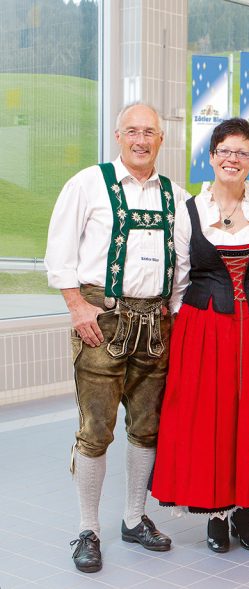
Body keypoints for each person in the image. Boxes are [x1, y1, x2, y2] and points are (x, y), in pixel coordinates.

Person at [45, 103, 188, 573]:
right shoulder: (87, 184)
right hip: (101, 320)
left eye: (149, 132)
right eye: (132, 131)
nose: (141, 140)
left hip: (156, 324)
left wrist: (174, 312)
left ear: (161, 139)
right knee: (96, 429)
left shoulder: (176, 197)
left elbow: (185, 266)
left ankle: (133, 518)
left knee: (147, 427)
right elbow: (59, 252)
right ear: (118, 135)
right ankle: (88, 528)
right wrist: (76, 306)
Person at [150, 118, 249, 553]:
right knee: (210, 421)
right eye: (225, 150)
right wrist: (187, 329)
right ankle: (215, 515)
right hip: (203, 329)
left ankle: (244, 509)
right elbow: (179, 280)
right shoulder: (190, 212)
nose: (232, 159)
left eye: (242, 153)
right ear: (212, 156)